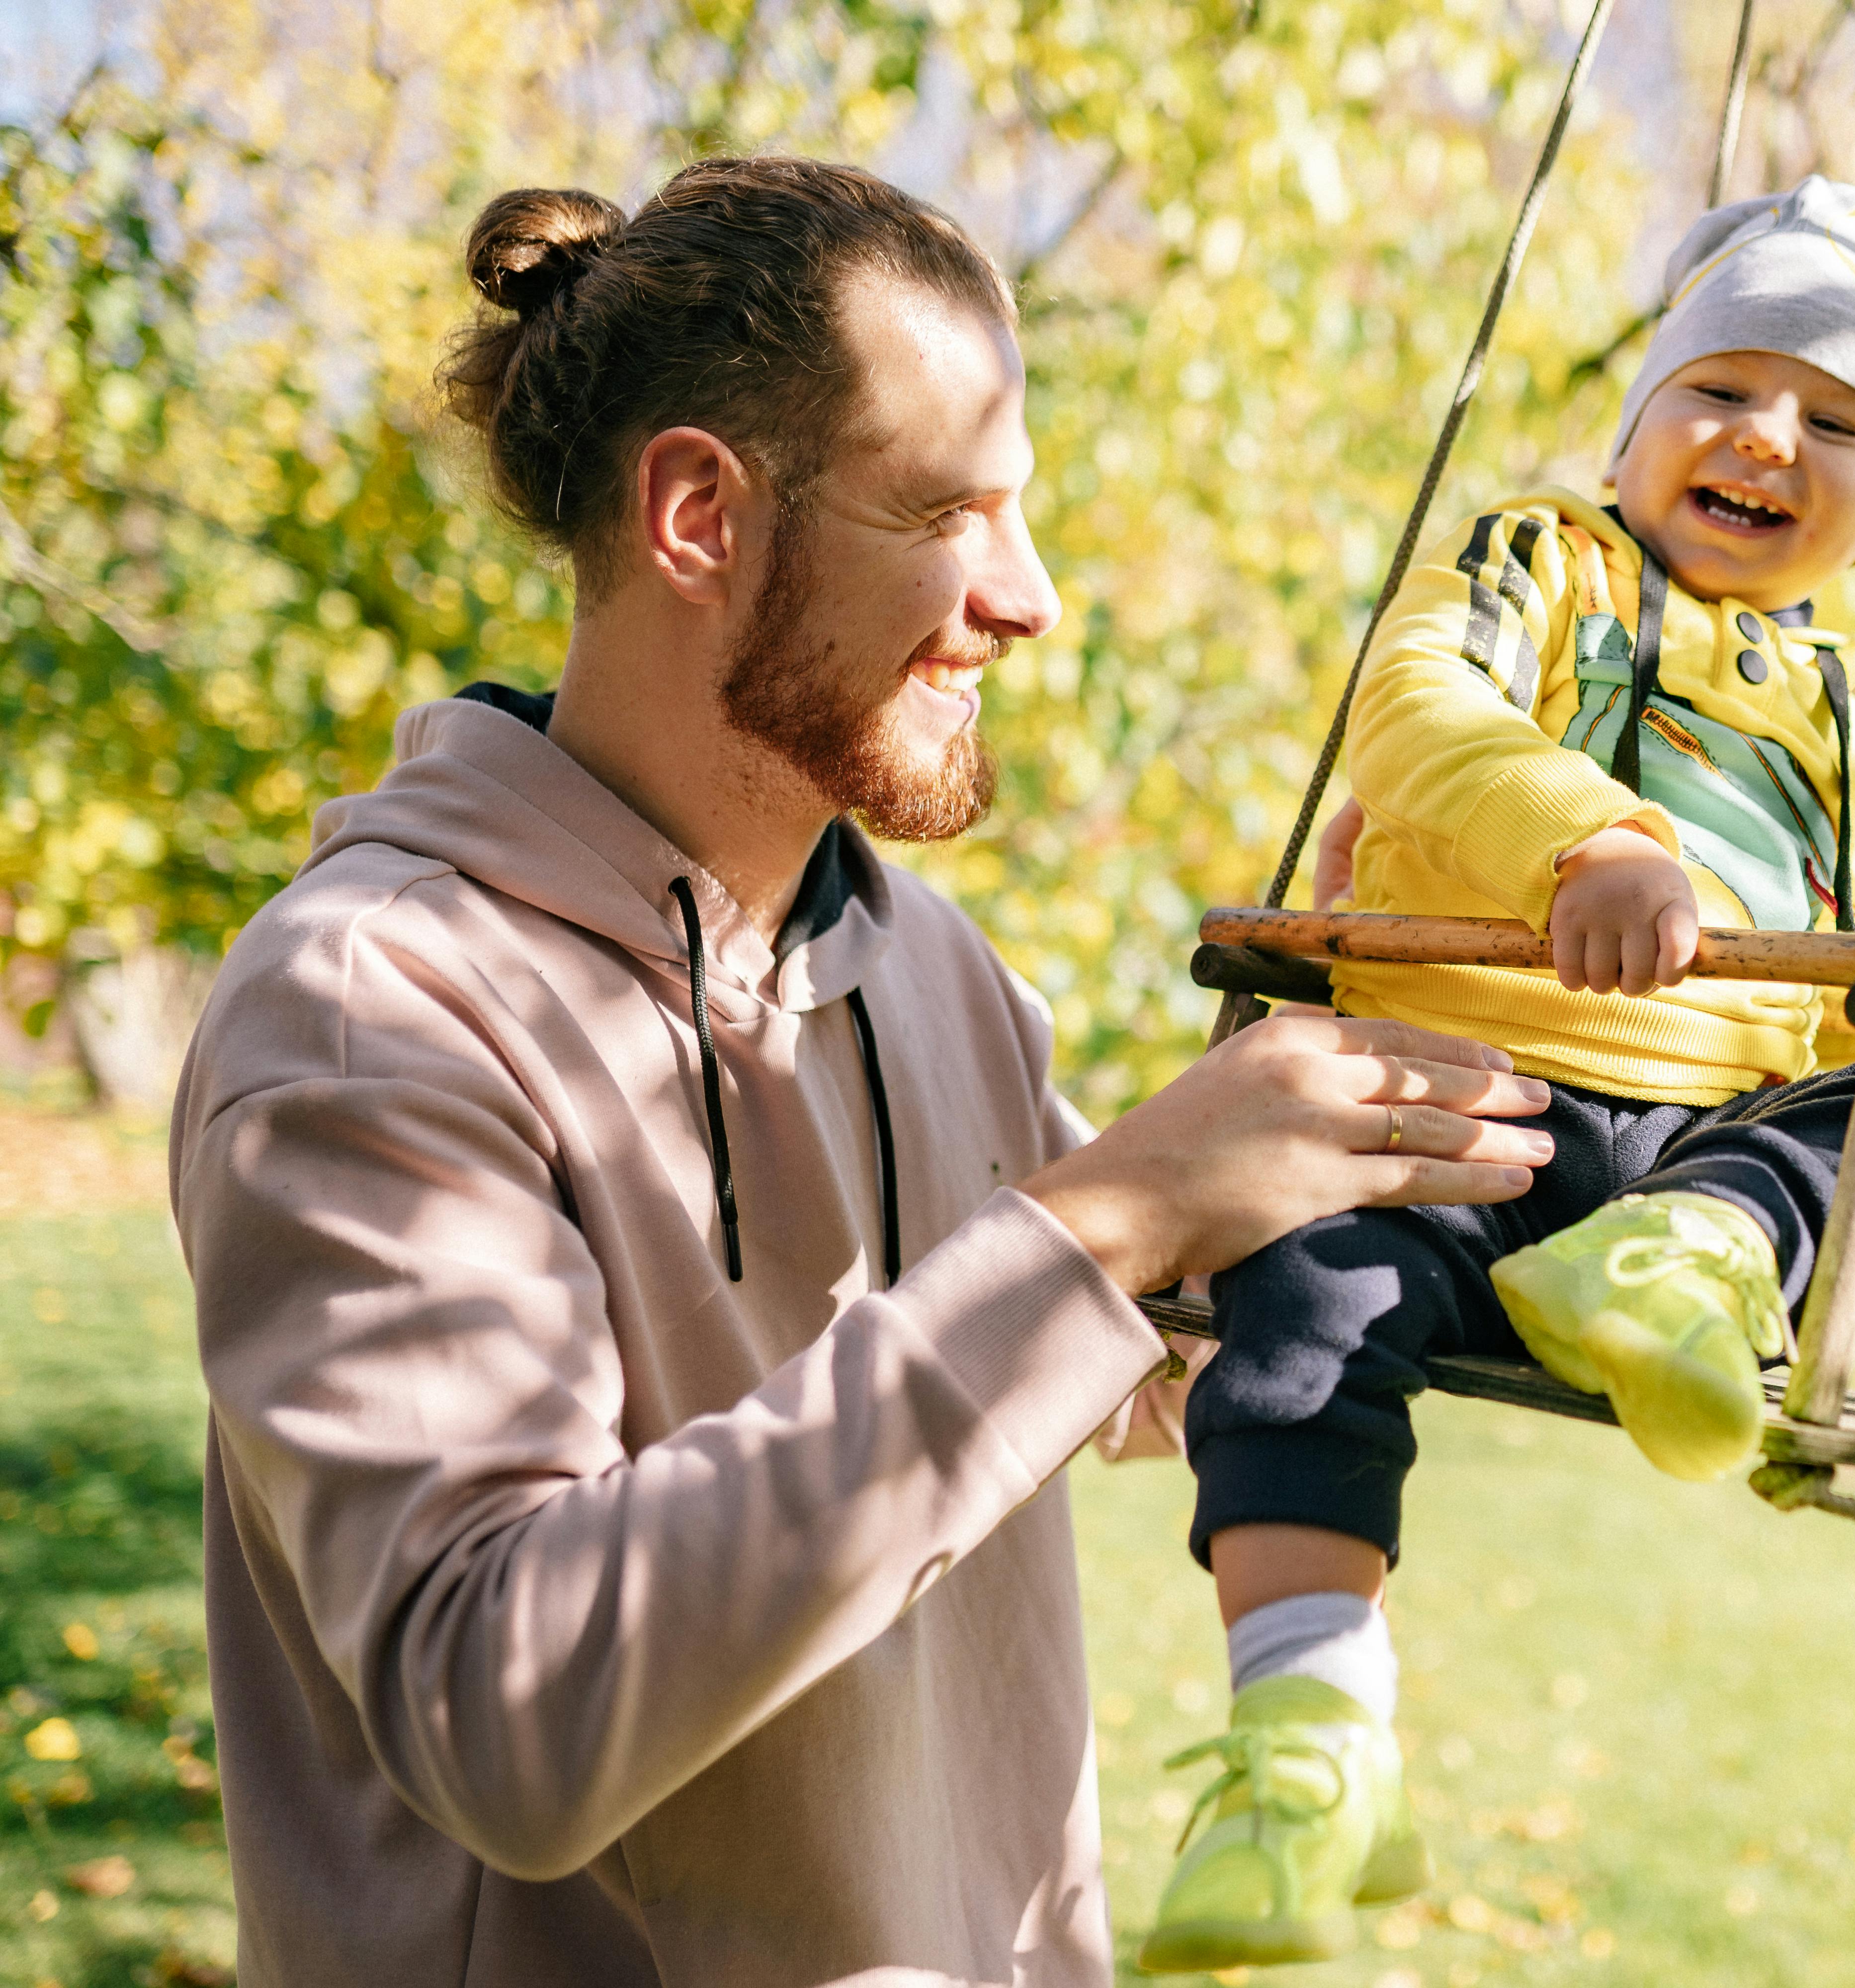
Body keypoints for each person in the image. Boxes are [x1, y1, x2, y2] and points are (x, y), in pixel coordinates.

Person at [168, 157, 1558, 1988]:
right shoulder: (380, 1010)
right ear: (696, 516)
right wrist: (1112, 1215)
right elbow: (506, 1709)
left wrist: (1375, 1149)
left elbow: (1092, 1366)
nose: (1032, 599)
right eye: (949, 513)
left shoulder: (931, 969)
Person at [1137, 177, 1855, 1974]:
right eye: (1722, 391)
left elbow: (1822, 1017)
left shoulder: (1847, 738)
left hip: (1690, 1156)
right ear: (1634, 431)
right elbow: (1416, 708)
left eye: (1836, 424)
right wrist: (1591, 841)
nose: (1765, 438)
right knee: (1300, 1300)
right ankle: (1308, 1744)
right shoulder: (1546, 569)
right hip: (1459, 1105)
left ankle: (1700, 1260)